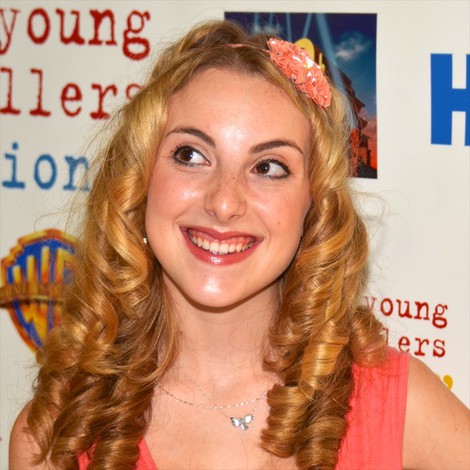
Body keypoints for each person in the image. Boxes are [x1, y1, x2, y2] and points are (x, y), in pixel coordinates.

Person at [9, 19, 469, 470]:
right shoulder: (51, 437)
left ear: (314, 207)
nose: (224, 202)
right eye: (191, 155)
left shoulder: (398, 407)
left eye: (268, 167)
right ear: (139, 181)